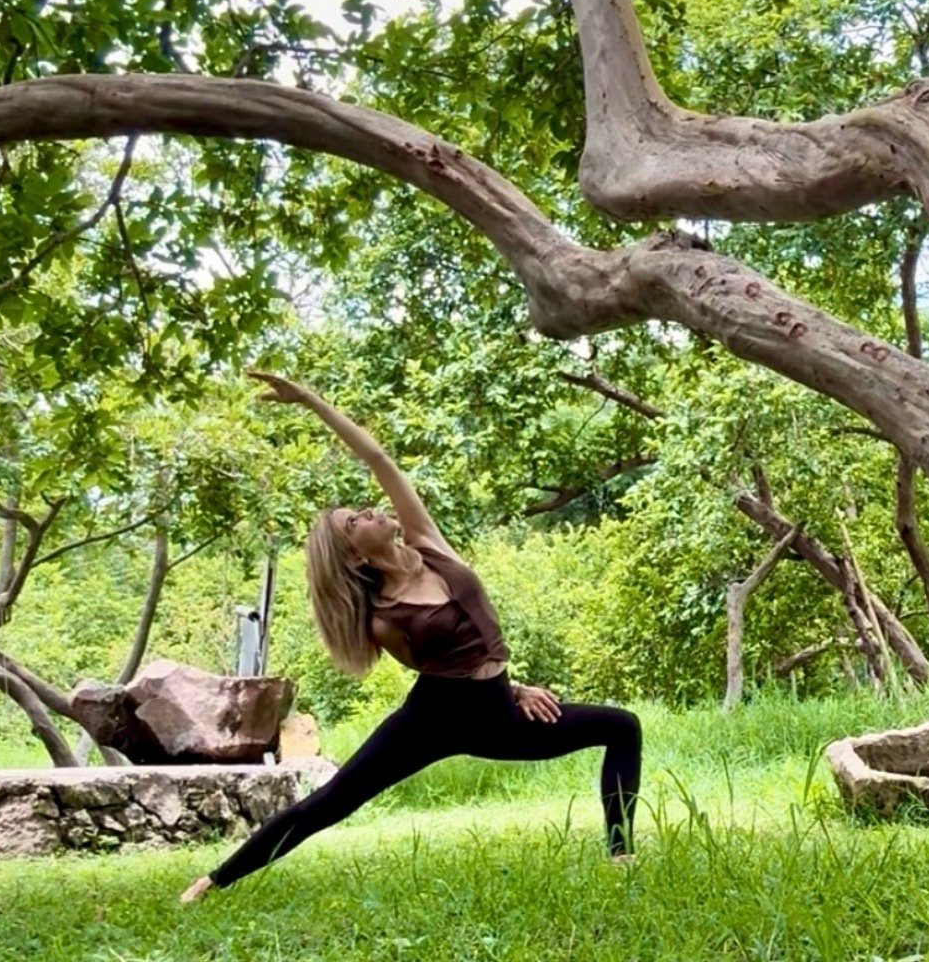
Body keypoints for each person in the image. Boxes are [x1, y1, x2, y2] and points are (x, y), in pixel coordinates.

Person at [180, 371, 642, 902]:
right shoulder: (385, 617)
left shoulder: (429, 544)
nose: (371, 508)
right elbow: (444, 674)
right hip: (432, 720)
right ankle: (212, 881)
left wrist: (311, 399)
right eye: (356, 519)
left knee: (621, 727)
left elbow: (378, 460)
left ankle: (619, 851)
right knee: (332, 802)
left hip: (498, 716)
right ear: (355, 553)